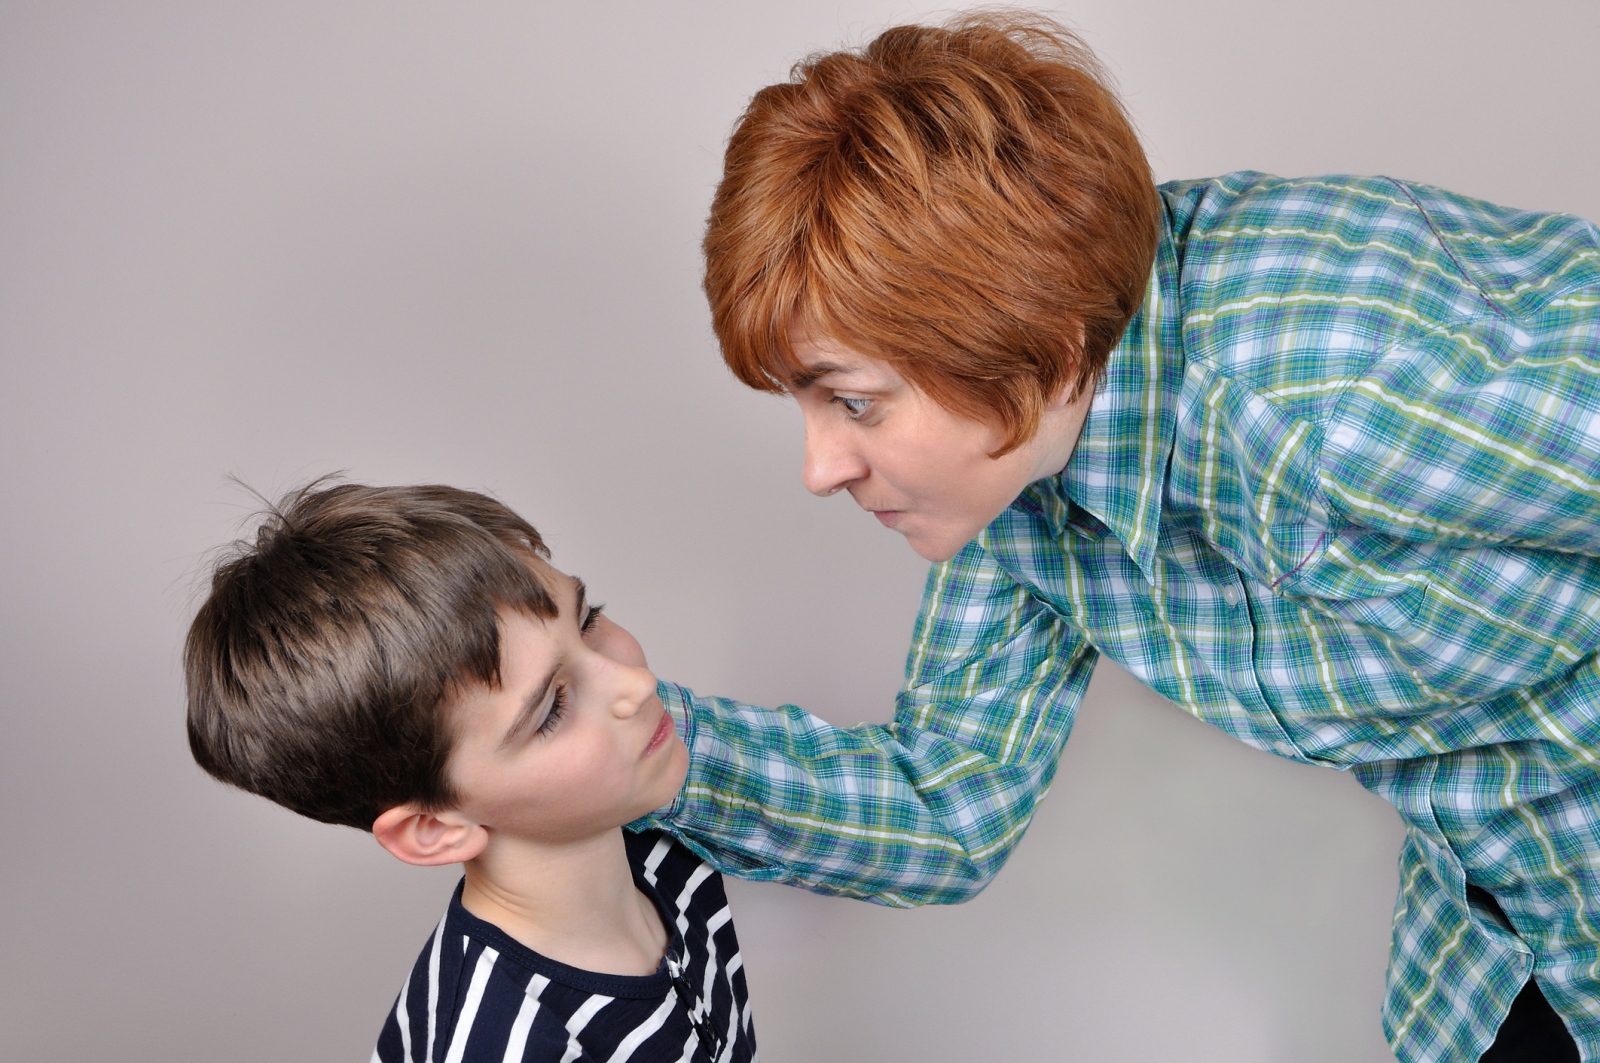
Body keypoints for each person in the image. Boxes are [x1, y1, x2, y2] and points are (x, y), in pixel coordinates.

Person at [635, 11, 1600, 1062]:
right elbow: (947, 802)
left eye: (855, 403)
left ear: (1044, 355)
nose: (820, 468)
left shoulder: (1332, 389)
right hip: (1510, 943)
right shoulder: (1024, 478)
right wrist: (638, 743)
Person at [184, 483, 756, 1063]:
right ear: (435, 828)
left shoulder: (666, 849)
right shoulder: (502, 1043)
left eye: (588, 622)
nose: (637, 684)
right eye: (552, 709)